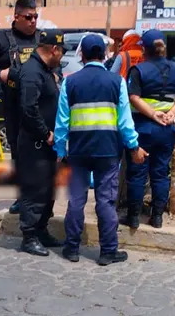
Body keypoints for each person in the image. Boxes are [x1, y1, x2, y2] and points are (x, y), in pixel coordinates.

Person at [54, 34, 141, 266]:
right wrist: (133, 146)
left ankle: (71, 248)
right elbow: (125, 121)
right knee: (105, 201)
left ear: (81, 54)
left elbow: (62, 122)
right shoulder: (117, 82)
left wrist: (60, 150)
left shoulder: (70, 82)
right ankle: (108, 251)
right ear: (104, 55)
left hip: (78, 152)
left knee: (76, 200)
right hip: (108, 152)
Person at [126, 29, 175, 229]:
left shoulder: (138, 70)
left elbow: (133, 97)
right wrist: (172, 113)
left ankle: (134, 217)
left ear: (144, 49)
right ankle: (157, 218)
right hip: (167, 130)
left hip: (143, 128)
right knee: (161, 173)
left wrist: (153, 114)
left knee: (138, 173)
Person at [0, 0, 40, 214]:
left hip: (39, 105)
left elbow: (55, 63)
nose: (33, 21)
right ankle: (21, 197)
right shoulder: (3, 40)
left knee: (41, 152)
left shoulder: (42, 38)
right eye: (28, 17)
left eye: (35, 17)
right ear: (16, 17)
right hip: (14, 104)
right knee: (17, 151)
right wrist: (0, 74)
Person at [15, 30, 65, 256]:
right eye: (61, 52)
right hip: (35, 142)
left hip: (47, 143)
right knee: (34, 190)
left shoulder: (45, 70)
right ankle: (29, 236)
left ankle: (41, 229)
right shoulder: (32, 71)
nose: (62, 57)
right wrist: (46, 134)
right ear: (54, 49)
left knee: (48, 190)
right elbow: (29, 108)